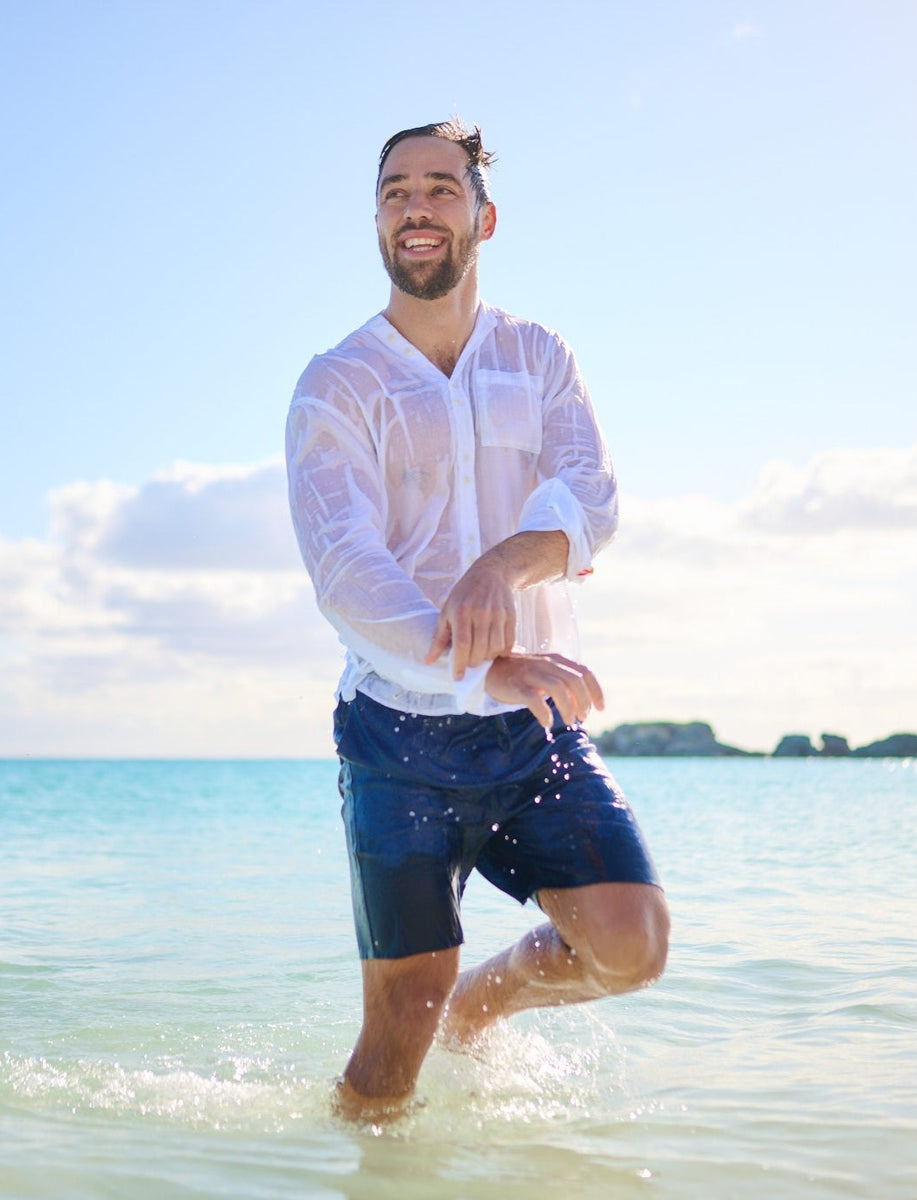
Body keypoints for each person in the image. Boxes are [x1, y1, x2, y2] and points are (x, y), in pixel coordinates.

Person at [285, 119, 669, 1119]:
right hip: (397, 736)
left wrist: (506, 565)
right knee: (394, 1036)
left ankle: (479, 1010)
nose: (416, 205)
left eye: (440, 188)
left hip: (529, 733)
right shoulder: (337, 385)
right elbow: (345, 570)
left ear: (483, 217)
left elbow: (592, 498)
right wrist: (478, 666)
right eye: (395, 191)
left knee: (631, 944)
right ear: (378, 222)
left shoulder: (538, 359)